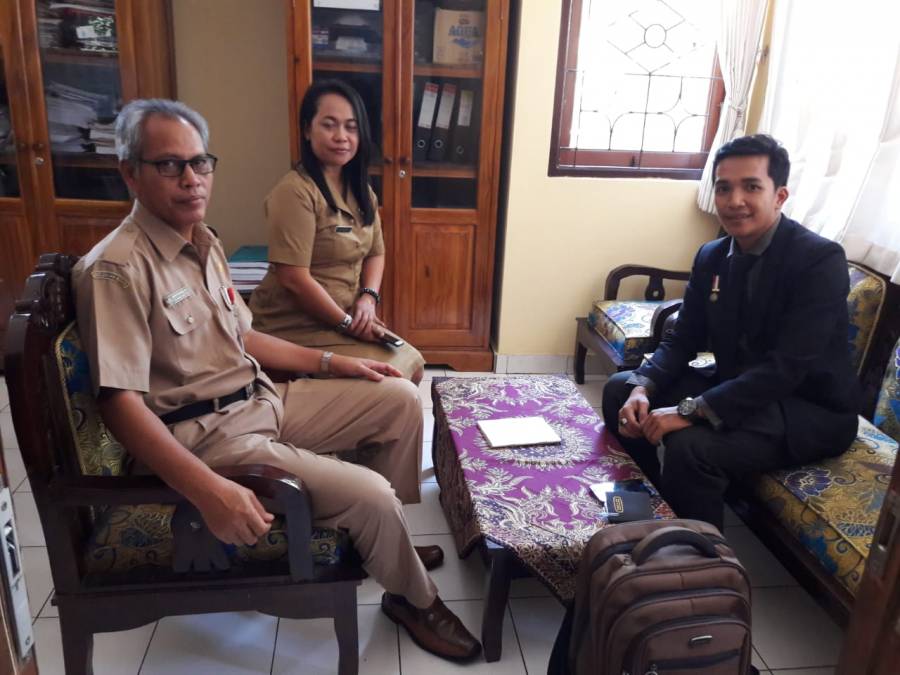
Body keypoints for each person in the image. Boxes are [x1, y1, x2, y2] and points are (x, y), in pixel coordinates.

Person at [71, 98, 480, 661]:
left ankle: (390, 544)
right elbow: (120, 405)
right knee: (371, 494)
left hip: (259, 400)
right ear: (130, 174)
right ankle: (413, 598)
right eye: (169, 165)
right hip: (206, 437)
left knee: (397, 399)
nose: (191, 179)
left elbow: (245, 338)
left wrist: (338, 364)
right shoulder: (117, 268)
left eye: (200, 162)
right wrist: (209, 490)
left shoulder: (202, 241)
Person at [602, 134, 860, 531]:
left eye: (751, 187)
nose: (734, 200)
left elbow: (786, 369)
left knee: (691, 446)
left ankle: (696, 558)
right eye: (724, 188)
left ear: (779, 195)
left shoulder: (818, 260)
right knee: (620, 390)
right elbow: (683, 338)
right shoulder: (712, 255)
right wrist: (644, 387)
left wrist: (692, 410)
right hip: (739, 386)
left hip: (805, 409)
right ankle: (640, 519)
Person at [249, 79, 426, 384]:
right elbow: (294, 279)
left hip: (344, 316)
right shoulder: (295, 191)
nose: (341, 137)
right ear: (307, 130)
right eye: (329, 125)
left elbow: (376, 253)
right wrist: (346, 324)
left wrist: (368, 298)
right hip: (294, 325)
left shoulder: (361, 191)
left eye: (351, 127)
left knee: (413, 364)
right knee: (394, 380)